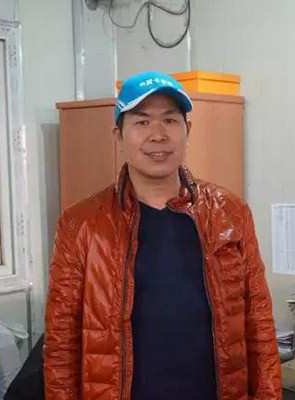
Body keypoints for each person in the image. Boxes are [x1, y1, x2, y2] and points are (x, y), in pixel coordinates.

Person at [44, 70, 281, 400]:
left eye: (170, 120)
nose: (157, 135)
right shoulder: (81, 224)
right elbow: (61, 343)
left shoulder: (231, 212)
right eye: (142, 122)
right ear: (118, 136)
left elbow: (259, 325)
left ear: (188, 131)